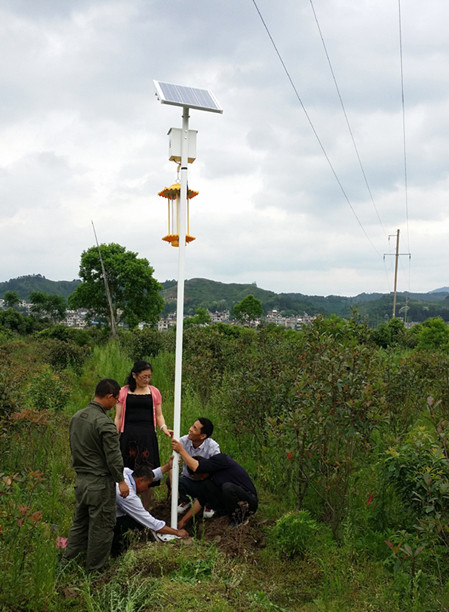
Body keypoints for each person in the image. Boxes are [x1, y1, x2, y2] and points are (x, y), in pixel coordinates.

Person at [63, 379, 129, 572]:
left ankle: (67, 564)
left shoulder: (77, 417)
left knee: (80, 525)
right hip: (99, 483)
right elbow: (114, 457)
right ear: (109, 396)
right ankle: (95, 571)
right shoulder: (104, 423)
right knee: (101, 528)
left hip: (81, 481)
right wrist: (121, 481)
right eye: (116, 400)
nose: (116, 404)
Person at [115, 360, 173, 509]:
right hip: (128, 437)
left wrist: (164, 428)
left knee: (148, 474)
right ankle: (127, 507)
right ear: (134, 375)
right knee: (127, 473)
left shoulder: (154, 392)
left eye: (149, 377)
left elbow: (159, 415)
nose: (147, 380)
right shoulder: (123, 392)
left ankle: (146, 510)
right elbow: (118, 417)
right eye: (144, 376)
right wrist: (114, 436)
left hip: (147, 437)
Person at [171, 440, 258, 528]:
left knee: (227, 488)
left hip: (249, 501)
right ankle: (224, 514)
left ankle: (239, 519)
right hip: (234, 500)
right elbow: (200, 501)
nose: (200, 479)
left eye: (198, 476)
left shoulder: (221, 461)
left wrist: (181, 451)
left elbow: (197, 466)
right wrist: (183, 521)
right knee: (210, 487)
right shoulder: (210, 480)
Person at [112, 459, 189, 554]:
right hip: (109, 520)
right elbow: (150, 522)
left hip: (109, 512)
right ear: (141, 480)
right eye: (148, 485)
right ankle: (118, 551)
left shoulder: (127, 473)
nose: (147, 488)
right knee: (137, 522)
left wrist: (167, 466)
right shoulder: (128, 495)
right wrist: (176, 532)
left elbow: (152, 475)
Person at [176, 418, 220, 516]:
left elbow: (217, 469)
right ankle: (186, 500)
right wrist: (173, 487)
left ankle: (209, 504)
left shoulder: (213, 447)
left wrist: (202, 474)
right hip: (188, 480)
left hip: (204, 482)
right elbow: (173, 464)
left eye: (195, 428)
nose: (191, 429)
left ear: (203, 436)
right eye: (192, 426)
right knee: (174, 480)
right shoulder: (183, 441)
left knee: (213, 484)